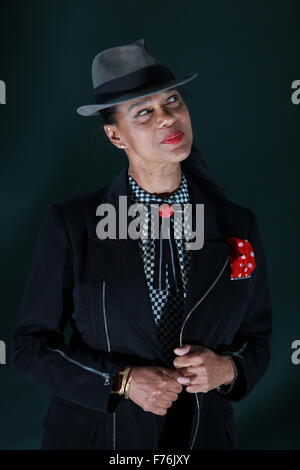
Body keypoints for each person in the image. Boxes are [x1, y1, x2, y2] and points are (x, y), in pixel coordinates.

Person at [10, 38, 272, 450]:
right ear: (115, 135)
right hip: (99, 439)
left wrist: (228, 370)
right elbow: (29, 346)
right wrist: (123, 381)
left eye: (173, 103)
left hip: (203, 438)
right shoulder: (72, 223)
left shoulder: (237, 223)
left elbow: (257, 338)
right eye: (144, 112)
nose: (168, 119)